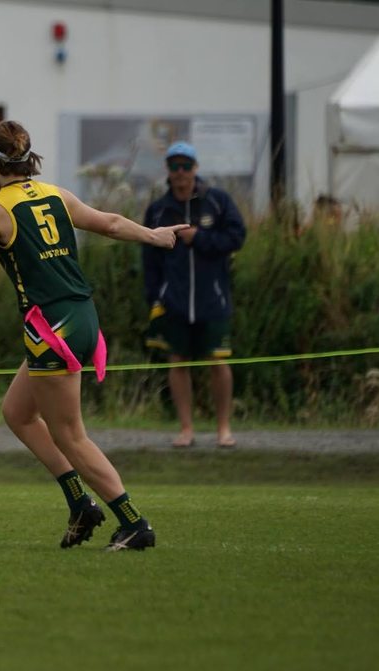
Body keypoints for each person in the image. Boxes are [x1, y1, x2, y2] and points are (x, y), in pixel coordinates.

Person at [0, 120, 188, 551]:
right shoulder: (55, 194)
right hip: (82, 315)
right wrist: (153, 235)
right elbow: (112, 224)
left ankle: (133, 522)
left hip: (50, 327)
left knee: (71, 435)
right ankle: (80, 502)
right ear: (28, 159)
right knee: (18, 412)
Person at [142, 141, 246, 449]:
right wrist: (154, 298)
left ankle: (223, 429)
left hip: (212, 298)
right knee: (178, 361)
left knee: (218, 363)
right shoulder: (159, 209)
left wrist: (199, 238)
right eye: (174, 167)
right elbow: (149, 258)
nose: (180, 173)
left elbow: (237, 237)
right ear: (168, 171)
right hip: (173, 298)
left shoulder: (217, 201)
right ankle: (186, 429)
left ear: (195, 168)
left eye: (186, 166)